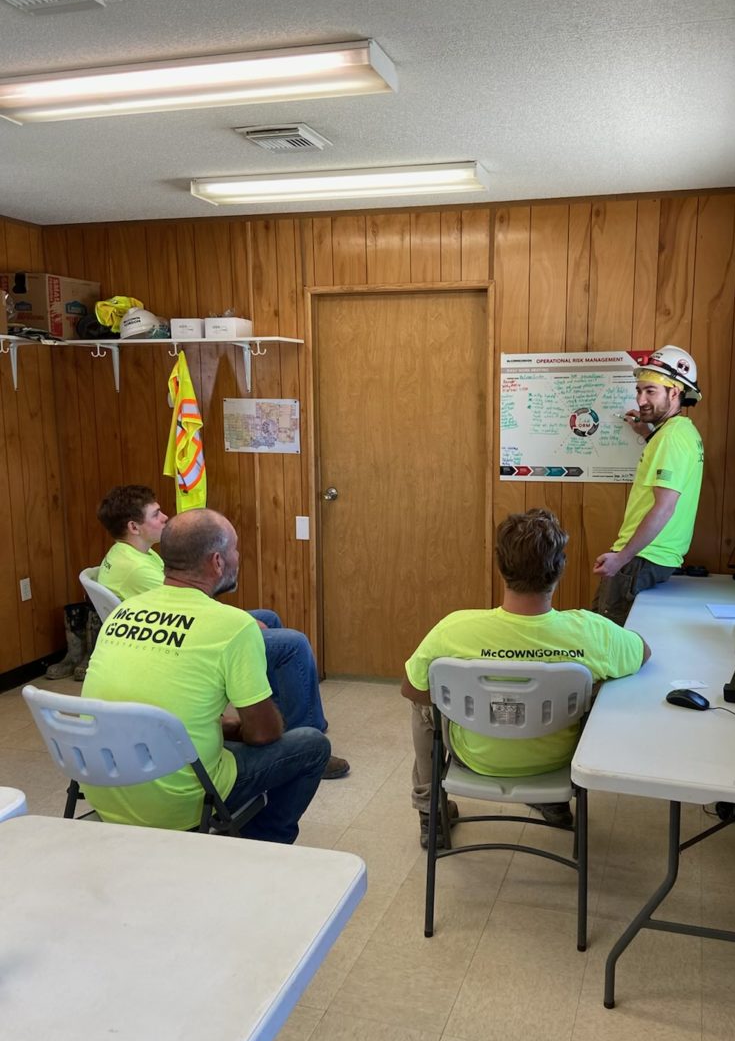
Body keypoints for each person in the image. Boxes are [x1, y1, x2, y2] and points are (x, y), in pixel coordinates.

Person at [402, 508, 650, 847]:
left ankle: (431, 813)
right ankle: (553, 799)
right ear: (560, 567)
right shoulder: (593, 633)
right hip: (558, 761)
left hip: (475, 757)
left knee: (425, 706)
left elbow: (412, 690)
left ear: (500, 566)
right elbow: (644, 653)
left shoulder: (454, 629)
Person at [82, 509, 330, 843]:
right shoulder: (235, 627)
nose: (238, 557)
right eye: (235, 550)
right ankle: (265, 842)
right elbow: (263, 735)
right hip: (177, 802)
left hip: (103, 784)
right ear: (217, 561)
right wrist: (236, 726)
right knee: (312, 746)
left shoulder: (123, 611)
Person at [95, 484, 349, 779]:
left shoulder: (134, 556)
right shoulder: (136, 567)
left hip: (116, 759)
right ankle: (304, 729)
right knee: (293, 644)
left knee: (268, 618)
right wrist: (244, 624)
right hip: (183, 640)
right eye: (156, 513)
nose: (164, 517)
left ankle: (289, 714)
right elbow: (190, 606)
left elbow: (183, 597)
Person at [592, 345, 704, 625]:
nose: (641, 399)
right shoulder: (678, 433)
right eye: (639, 391)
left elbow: (664, 508)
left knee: (607, 644)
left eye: (651, 391)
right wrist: (647, 436)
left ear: (675, 392)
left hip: (640, 557)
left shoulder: (671, 439)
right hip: (651, 557)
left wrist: (622, 557)